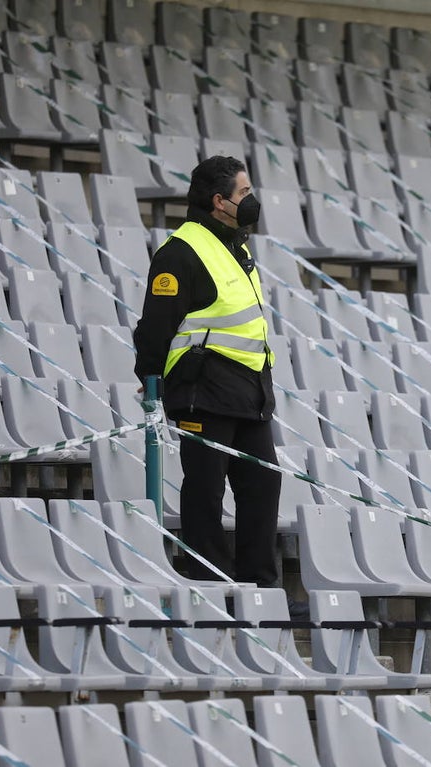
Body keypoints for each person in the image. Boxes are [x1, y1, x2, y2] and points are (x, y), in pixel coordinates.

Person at [133, 156, 289, 600]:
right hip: (203, 390)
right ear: (220, 201)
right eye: (243, 193)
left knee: (263, 483)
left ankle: (260, 587)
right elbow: (155, 328)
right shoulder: (180, 251)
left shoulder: (236, 248)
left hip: (250, 390)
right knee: (205, 487)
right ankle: (209, 582)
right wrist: (152, 384)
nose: (250, 200)